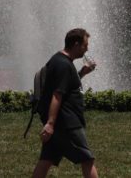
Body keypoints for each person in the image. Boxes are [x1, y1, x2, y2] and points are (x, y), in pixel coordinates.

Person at [32, 28, 99, 178]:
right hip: (67, 123)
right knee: (87, 159)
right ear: (76, 44)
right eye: (85, 45)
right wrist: (50, 123)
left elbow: (67, 87)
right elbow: (57, 95)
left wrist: (82, 73)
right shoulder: (63, 64)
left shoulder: (60, 61)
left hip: (61, 123)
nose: (87, 49)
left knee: (46, 160)